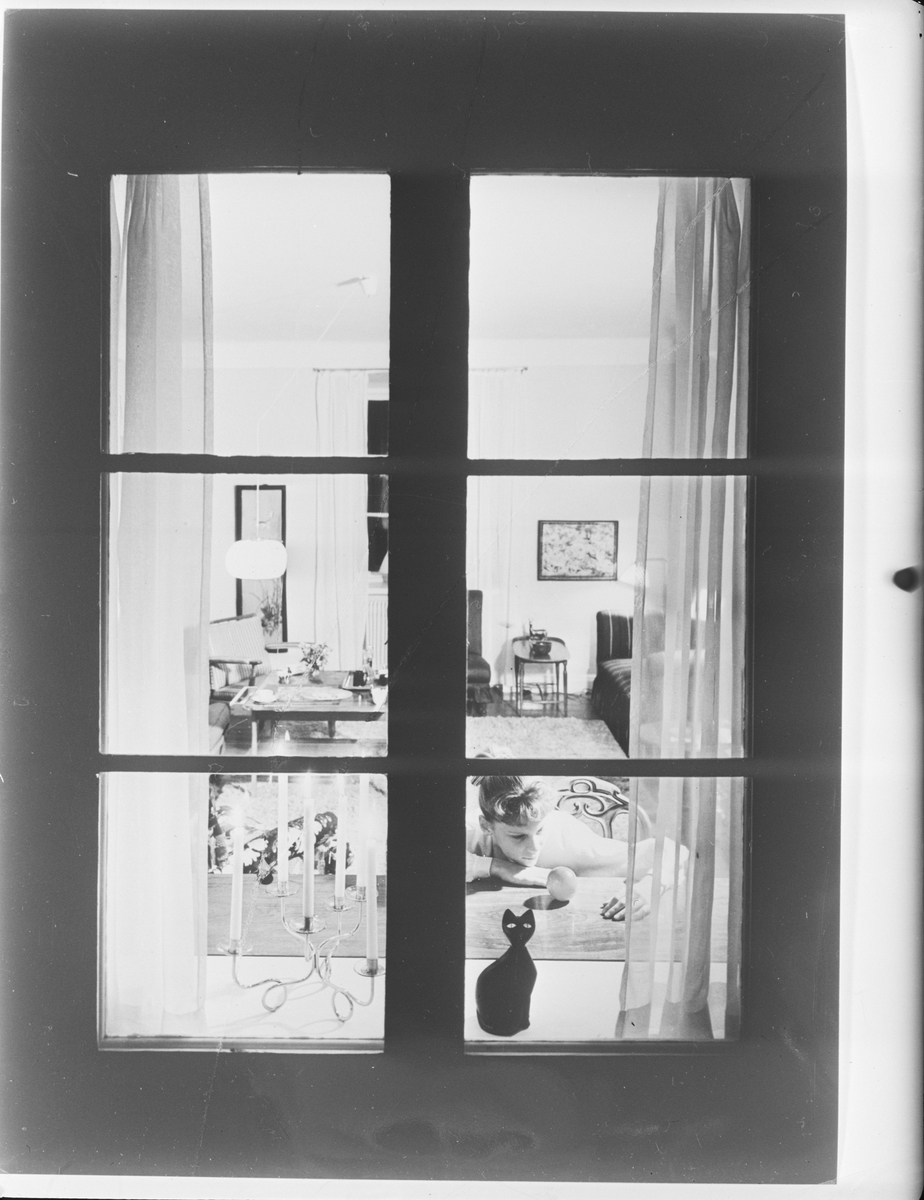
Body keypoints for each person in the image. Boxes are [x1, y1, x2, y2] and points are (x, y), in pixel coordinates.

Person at [466, 775, 687, 921]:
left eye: (539, 831)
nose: (533, 847)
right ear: (487, 826)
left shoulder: (569, 841)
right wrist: (497, 867)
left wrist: (650, 886)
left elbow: (671, 850)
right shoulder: (472, 829)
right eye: (518, 836)